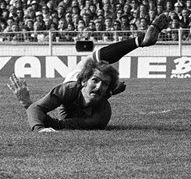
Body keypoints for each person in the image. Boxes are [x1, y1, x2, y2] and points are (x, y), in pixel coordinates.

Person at [7, 14, 169, 132]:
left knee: (97, 77)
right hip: (75, 86)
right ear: (84, 81)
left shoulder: (101, 116)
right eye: (96, 81)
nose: (99, 86)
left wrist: (28, 105)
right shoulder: (70, 88)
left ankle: (113, 83)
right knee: (95, 58)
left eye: (104, 84)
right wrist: (38, 125)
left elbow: (56, 124)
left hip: (80, 106)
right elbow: (38, 109)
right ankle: (140, 41)